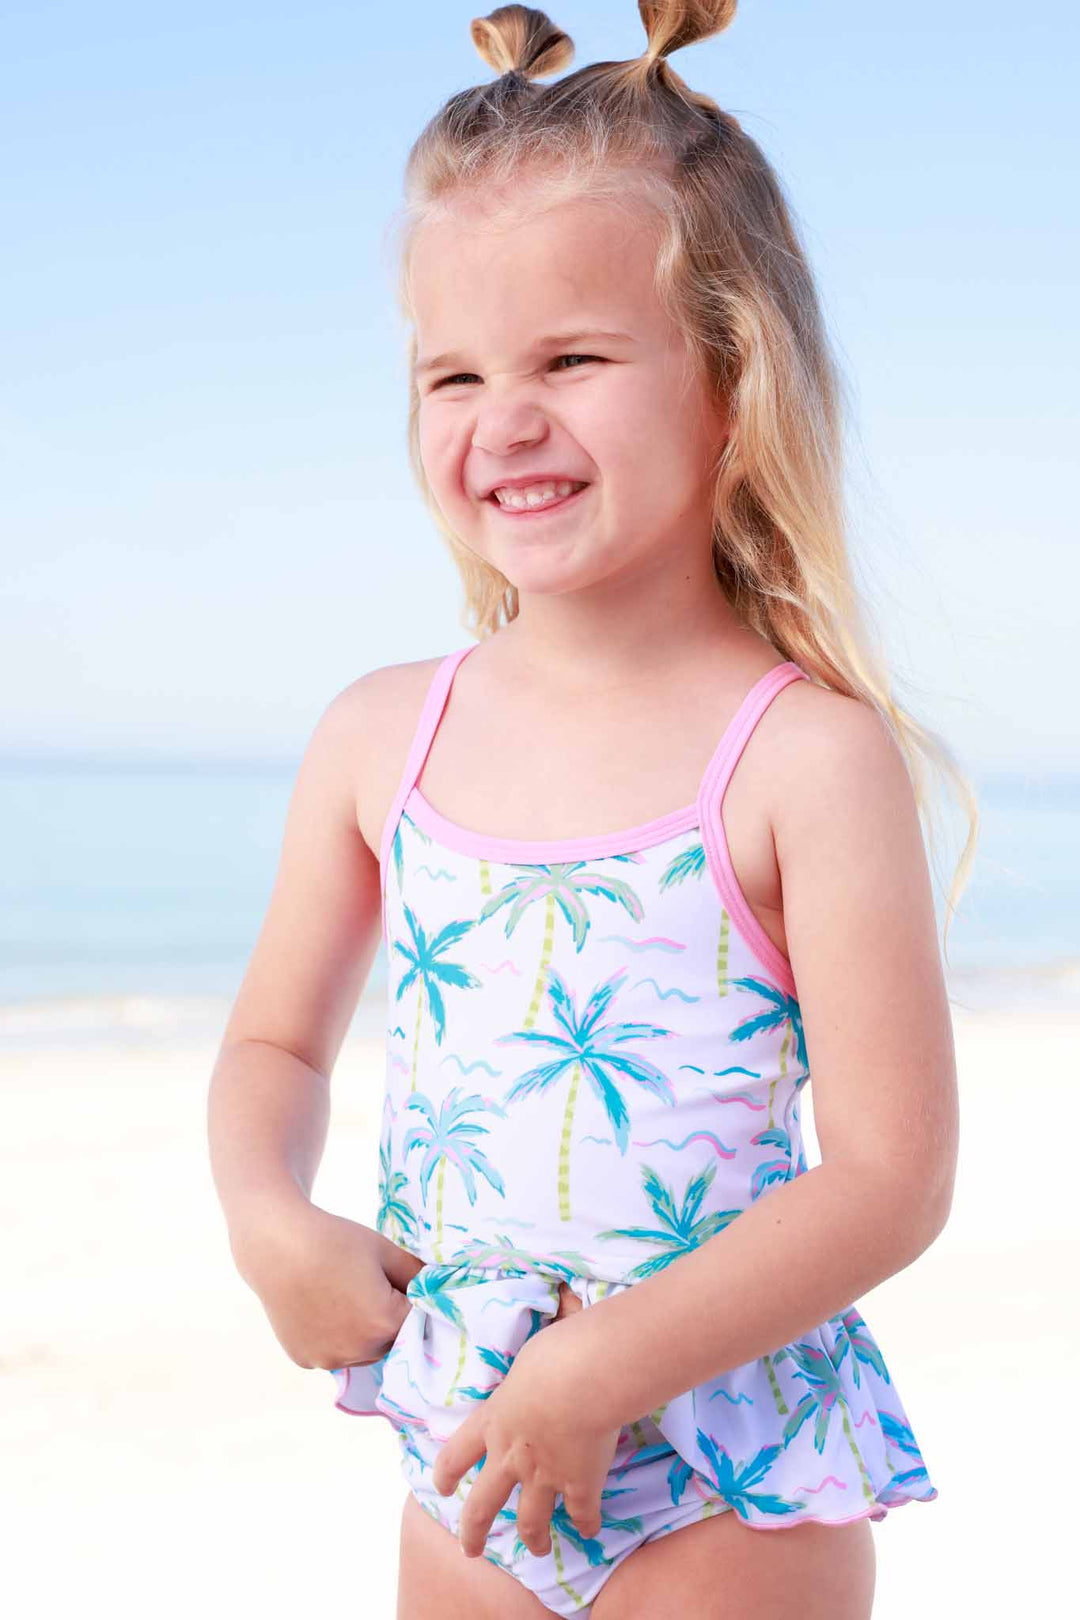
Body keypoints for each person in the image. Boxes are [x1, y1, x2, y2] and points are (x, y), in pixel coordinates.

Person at [207, 3, 975, 1615]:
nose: (505, 420)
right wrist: (270, 1216)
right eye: (455, 373)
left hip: (726, 1476)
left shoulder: (801, 759)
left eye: (571, 358)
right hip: (466, 1452)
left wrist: (605, 1366)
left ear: (730, 377)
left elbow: (890, 1175)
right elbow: (274, 1046)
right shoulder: (379, 737)